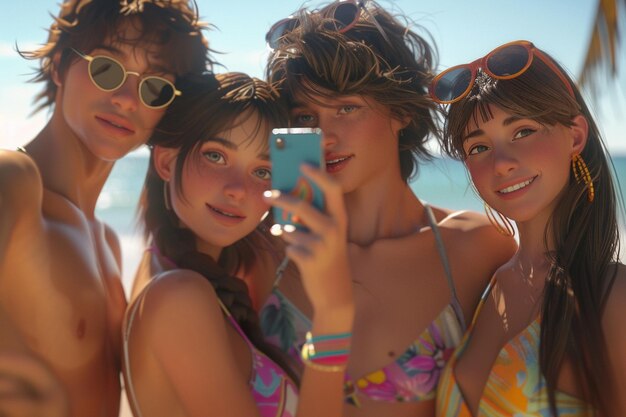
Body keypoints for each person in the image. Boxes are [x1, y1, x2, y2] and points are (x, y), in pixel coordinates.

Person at [259, 2, 517, 416]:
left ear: (403, 112)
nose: (324, 137)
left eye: (346, 108)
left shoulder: (478, 247)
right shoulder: (264, 253)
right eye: (306, 115)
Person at [0, 0, 212, 415]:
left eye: (155, 87)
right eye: (106, 69)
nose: (128, 99)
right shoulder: (13, 181)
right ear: (60, 66)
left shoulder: (110, 244)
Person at [123, 71, 355, 417]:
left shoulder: (179, 274)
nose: (238, 190)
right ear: (166, 162)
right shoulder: (179, 295)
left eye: (262, 171)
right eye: (216, 156)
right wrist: (334, 315)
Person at [431, 40, 626, 416]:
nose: (501, 163)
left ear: (575, 136)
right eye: (478, 148)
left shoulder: (611, 297)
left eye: (522, 131)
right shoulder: (493, 283)